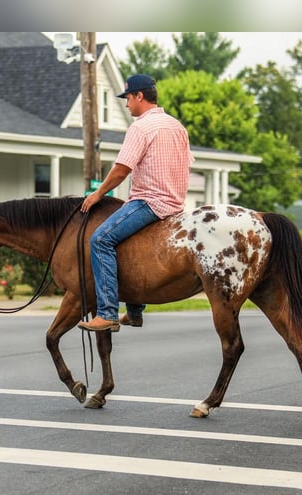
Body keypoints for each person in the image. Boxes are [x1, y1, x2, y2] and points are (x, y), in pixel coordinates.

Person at [78, 74, 194, 332]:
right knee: (127, 242)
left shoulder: (140, 128)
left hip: (149, 202)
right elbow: (186, 165)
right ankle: (134, 311)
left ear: (139, 96)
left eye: (128, 98)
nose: (127, 104)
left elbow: (121, 169)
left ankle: (107, 313)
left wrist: (98, 195)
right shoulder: (177, 127)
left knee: (100, 240)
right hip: (176, 205)